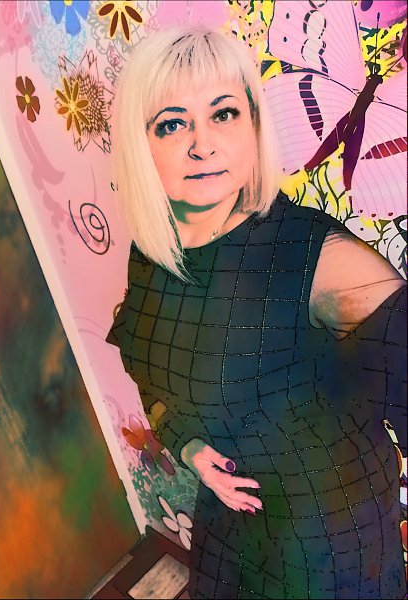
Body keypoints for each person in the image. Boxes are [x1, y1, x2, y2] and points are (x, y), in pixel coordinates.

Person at [106, 25, 407, 599]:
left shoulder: (317, 261)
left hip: (332, 552)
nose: (202, 144)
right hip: (234, 528)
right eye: (172, 124)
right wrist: (189, 446)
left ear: (253, 125)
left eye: (223, 114)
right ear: (141, 145)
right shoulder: (154, 251)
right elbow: (150, 369)